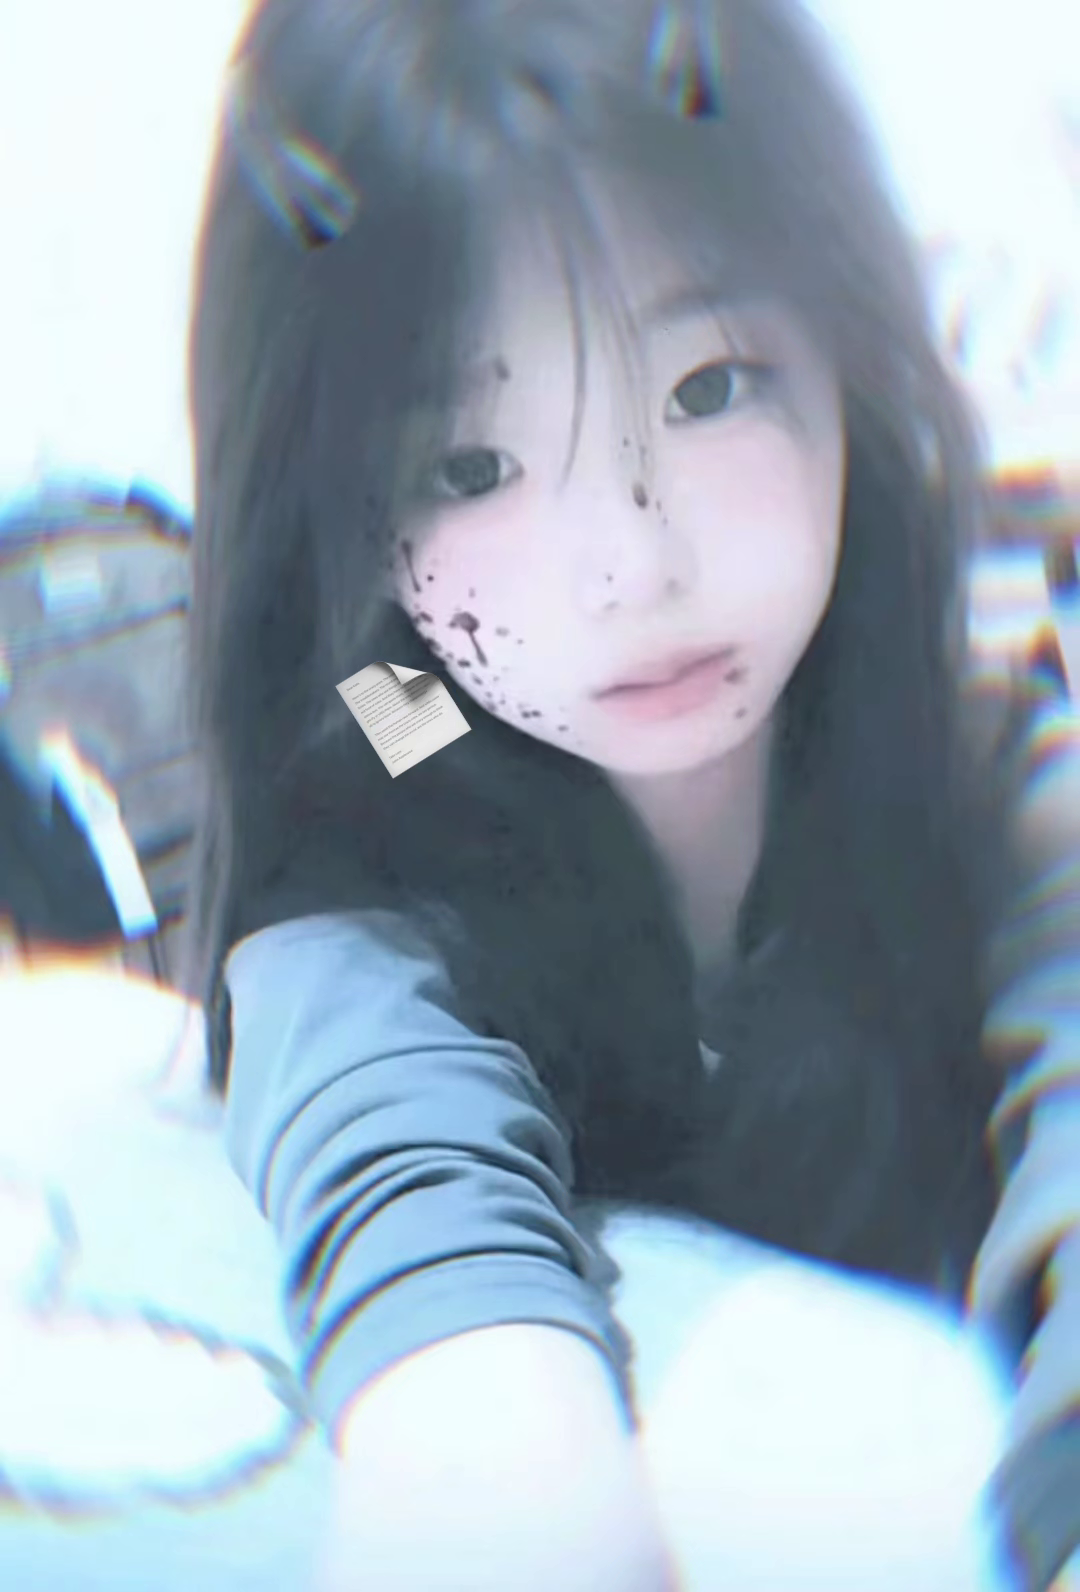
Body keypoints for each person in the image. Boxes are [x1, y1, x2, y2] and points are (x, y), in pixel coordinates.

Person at [175, 0, 1080, 1586]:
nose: (633, 569)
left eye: (711, 387)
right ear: (343, 511)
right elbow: (401, 1165)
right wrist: (482, 1427)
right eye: (470, 468)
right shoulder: (378, 812)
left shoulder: (987, 753)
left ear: (849, 355)